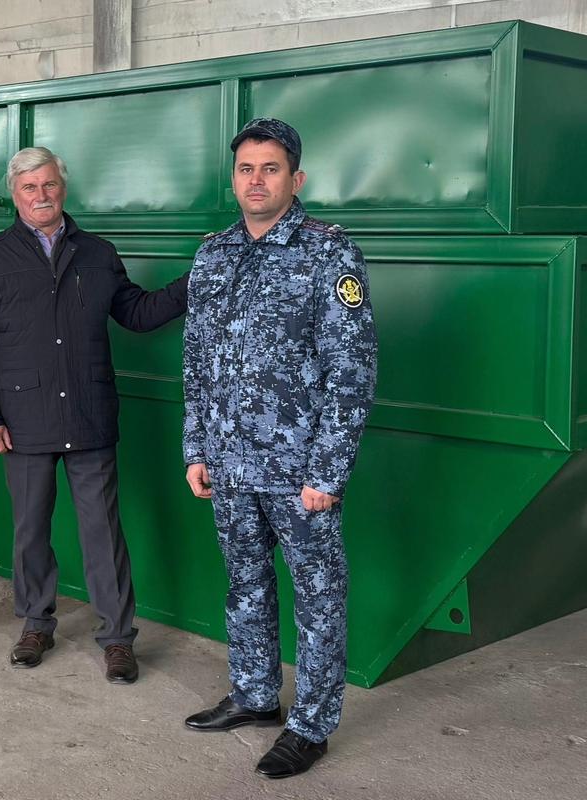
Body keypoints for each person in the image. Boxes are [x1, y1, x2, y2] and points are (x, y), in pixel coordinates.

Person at [180, 118, 377, 778]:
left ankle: (311, 726)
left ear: (297, 179)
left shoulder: (328, 252)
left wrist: (328, 471)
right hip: (229, 464)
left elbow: (352, 369)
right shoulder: (213, 254)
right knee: (245, 585)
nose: (256, 180)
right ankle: (255, 695)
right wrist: (196, 448)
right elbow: (197, 361)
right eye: (246, 169)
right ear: (233, 179)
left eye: (270, 169)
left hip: (299, 473)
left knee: (317, 598)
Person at [0, 147, 189, 684]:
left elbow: (137, 312)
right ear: (14, 194)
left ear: (64, 188)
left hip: (88, 412)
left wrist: (194, 281)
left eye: (50, 185)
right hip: (22, 419)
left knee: (103, 531)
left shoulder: (98, 253)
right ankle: (36, 623)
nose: (41, 195)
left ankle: (118, 638)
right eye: (29, 187)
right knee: (31, 529)